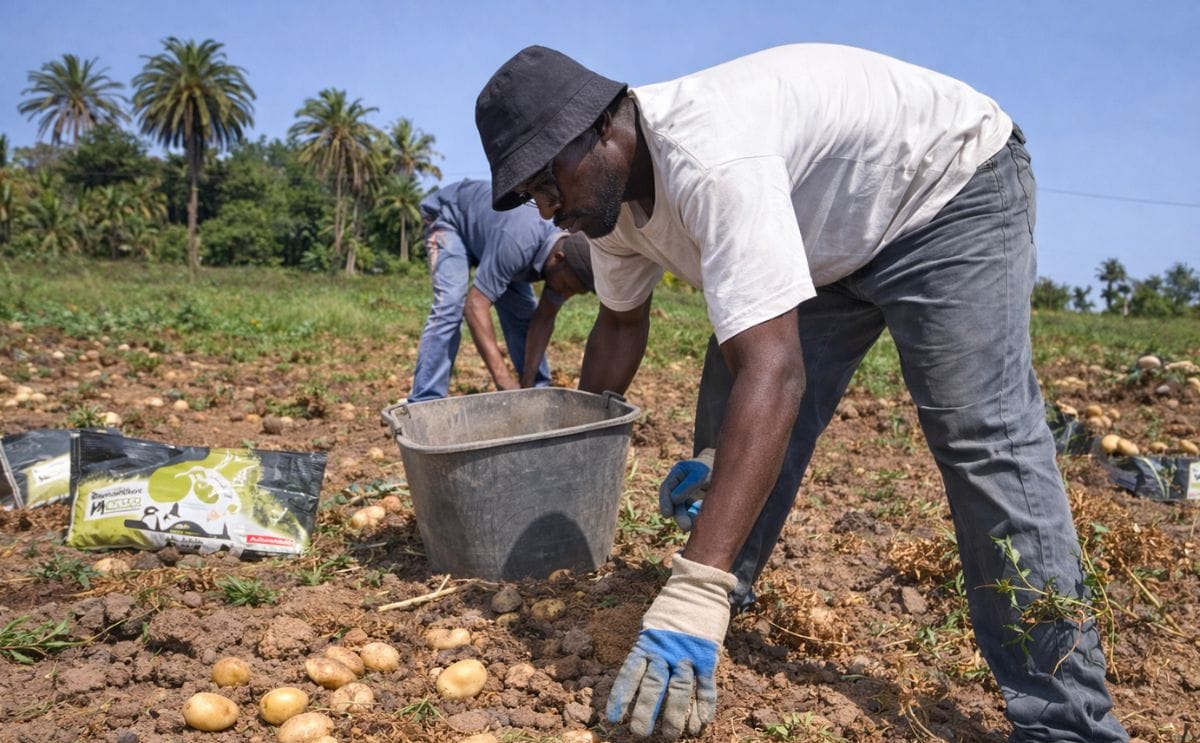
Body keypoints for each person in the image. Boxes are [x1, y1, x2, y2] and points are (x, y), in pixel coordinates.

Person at [474, 44, 1127, 742]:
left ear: (603, 126)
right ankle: (721, 596)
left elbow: (775, 371)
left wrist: (691, 581)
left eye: (547, 180)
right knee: (732, 410)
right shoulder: (607, 207)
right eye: (529, 196)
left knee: (983, 437)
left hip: (943, 193)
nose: (545, 210)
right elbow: (620, 323)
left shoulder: (710, 159)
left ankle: (1068, 719)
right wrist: (573, 453)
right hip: (823, 237)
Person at [409, 179, 594, 402]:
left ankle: (537, 391)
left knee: (523, 314)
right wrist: (503, 379)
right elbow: (475, 306)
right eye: (566, 287)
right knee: (450, 303)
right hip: (451, 218)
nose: (563, 294)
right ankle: (426, 401)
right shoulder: (518, 243)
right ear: (559, 258)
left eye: (572, 293)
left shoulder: (564, 262)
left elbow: (543, 319)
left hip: (493, 241)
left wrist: (527, 383)